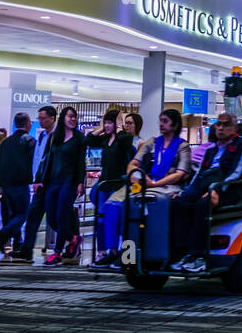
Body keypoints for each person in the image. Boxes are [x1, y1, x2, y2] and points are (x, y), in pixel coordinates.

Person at [171, 113, 242, 273]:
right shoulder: (211, 149)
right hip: (208, 186)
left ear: (234, 127)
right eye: (219, 124)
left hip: (231, 189)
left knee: (202, 205)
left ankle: (199, 256)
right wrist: (185, 193)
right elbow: (200, 173)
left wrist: (217, 189)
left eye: (225, 124)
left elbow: (237, 171)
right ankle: (183, 253)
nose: (220, 128)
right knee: (178, 203)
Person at [86, 109, 134, 266]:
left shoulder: (122, 139)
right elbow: (90, 139)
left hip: (118, 185)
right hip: (104, 184)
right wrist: (102, 127)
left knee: (114, 216)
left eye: (109, 123)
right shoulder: (105, 140)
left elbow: (127, 140)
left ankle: (117, 251)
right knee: (101, 219)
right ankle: (104, 251)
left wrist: (119, 126)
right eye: (105, 122)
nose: (107, 126)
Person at [42, 106, 87, 265]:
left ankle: (57, 253)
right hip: (53, 181)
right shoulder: (55, 137)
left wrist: (81, 182)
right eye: (70, 116)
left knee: (62, 216)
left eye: (75, 117)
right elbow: (47, 160)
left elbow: (81, 162)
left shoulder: (79, 139)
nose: (73, 119)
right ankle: (73, 238)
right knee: (51, 218)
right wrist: (40, 179)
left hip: (69, 182)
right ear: (63, 118)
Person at [12, 105, 57, 262]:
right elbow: (39, 159)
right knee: (33, 215)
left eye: (43, 118)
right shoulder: (42, 136)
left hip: (51, 183)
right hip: (40, 184)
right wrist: (35, 178)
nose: (40, 121)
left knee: (54, 218)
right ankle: (27, 249)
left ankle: (72, 238)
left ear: (52, 118)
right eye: (39, 118)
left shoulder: (57, 136)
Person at [127, 108, 193, 198]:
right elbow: (133, 163)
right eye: (160, 121)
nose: (161, 124)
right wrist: (134, 175)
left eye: (165, 121)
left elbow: (179, 174)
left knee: (153, 200)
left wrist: (155, 184)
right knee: (126, 199)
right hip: (148, 184)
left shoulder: (183, 146)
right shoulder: (152, 142)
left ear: (175, 125)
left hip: (170, 187)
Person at [0, 113, 35, 253]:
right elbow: (34, 162)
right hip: (21, 183)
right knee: (22, 213)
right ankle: (4, 233)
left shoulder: (6, 142)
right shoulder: (29, 141)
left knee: (13, 214)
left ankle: (17, 242)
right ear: (28, 123)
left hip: (6, 185)